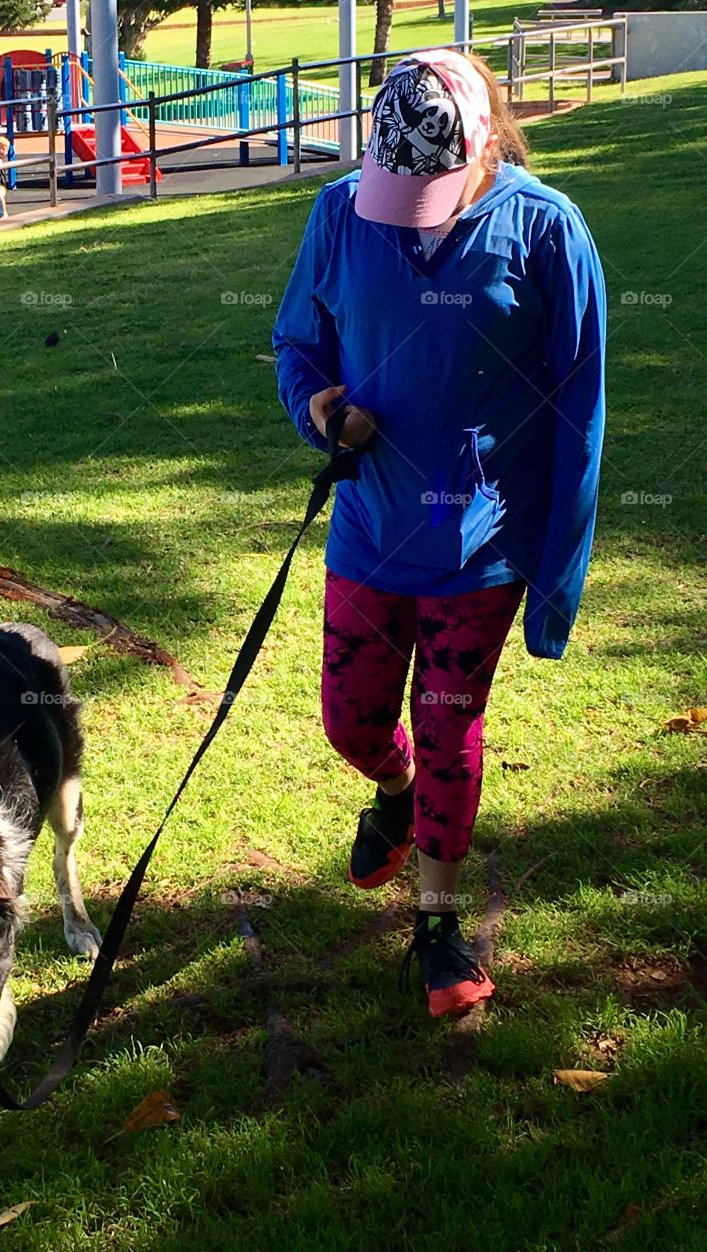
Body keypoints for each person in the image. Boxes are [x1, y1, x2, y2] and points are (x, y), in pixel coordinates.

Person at [273, 49, 606, 1018]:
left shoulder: (547, 229)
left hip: (481, 551)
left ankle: (437, 924)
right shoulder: (341, 212)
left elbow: (579, 414)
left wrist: (557, 578)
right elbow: (301, 343)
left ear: (484, 147)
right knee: (353, 722)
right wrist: (320, 409)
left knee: (450, 722)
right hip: (370, 531)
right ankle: (391, 790)